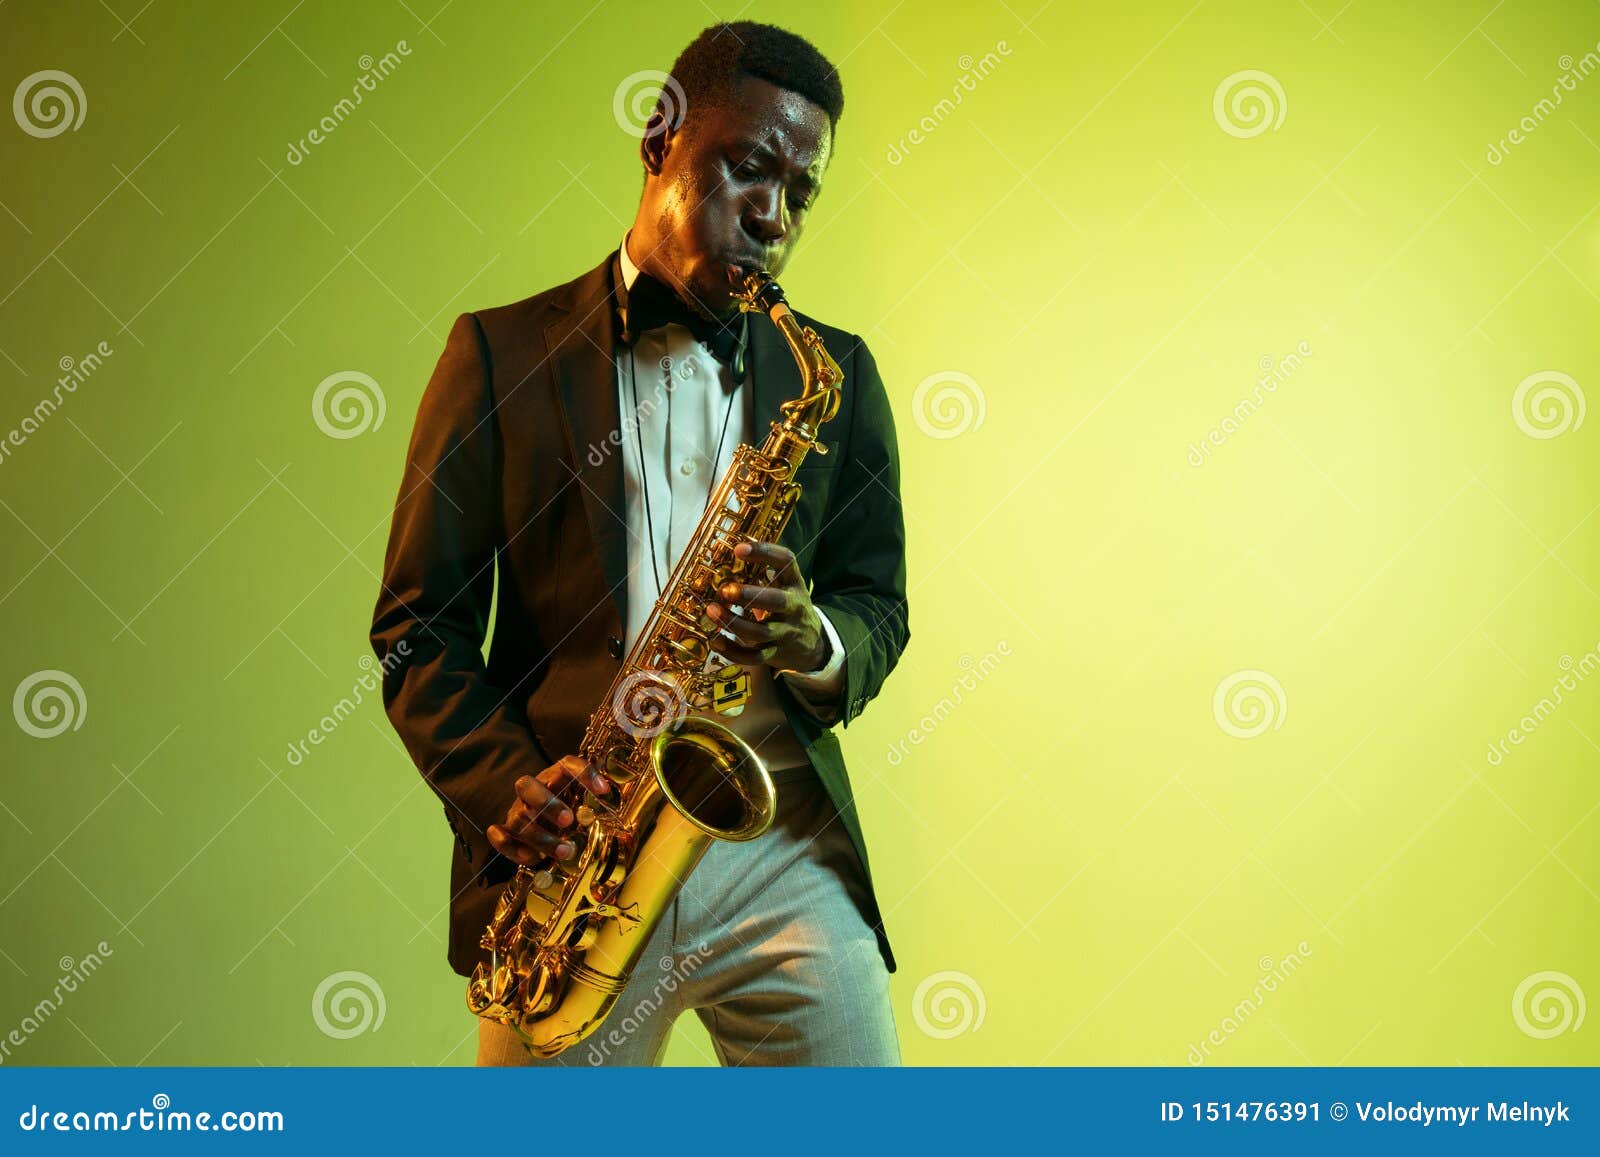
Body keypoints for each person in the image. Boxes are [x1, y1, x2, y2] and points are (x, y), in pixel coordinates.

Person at [369, 20, 909, 1066]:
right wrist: (505, 793)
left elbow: (876, 604)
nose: (773, 212)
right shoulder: (498, 354)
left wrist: (814, 638)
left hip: (779, 843)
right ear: (658, 140)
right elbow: (416, 625)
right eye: (748, 167)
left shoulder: (831, 375)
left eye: (800, 192)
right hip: (572, 862)